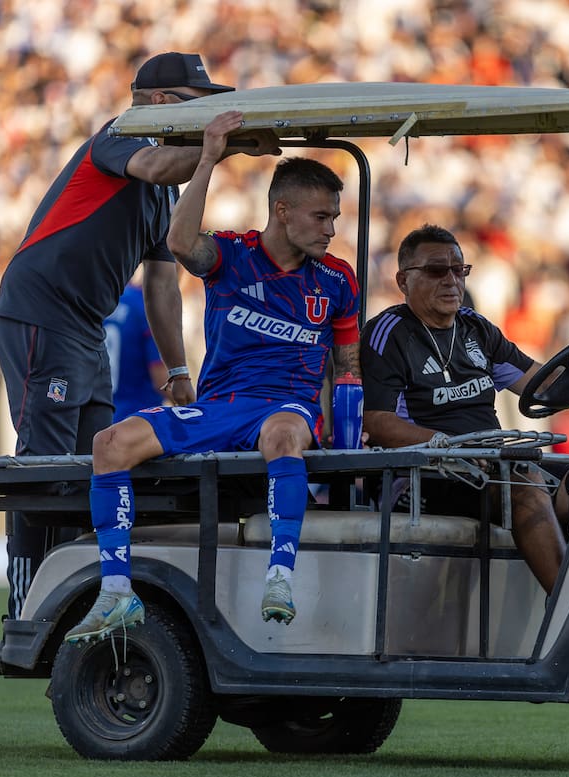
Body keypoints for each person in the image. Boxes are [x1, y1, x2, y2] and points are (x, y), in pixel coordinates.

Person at [0, 52, 274, 633]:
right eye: (201, 103)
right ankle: (23, 607)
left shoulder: (165, 195)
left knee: (93, 460)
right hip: (41, 313)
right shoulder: (119, 135)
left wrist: (177, 372)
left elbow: (163, 285)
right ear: (163, 104)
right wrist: (221, 150)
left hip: (82, 325)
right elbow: (158, 164)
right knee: (44, 463)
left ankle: (71, 596)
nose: (210, 113)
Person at [63, 113, 360, 643]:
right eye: (321, 217)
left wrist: (343, 432)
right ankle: (115, 592)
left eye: (334, 218)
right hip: (218, 407)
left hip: (285, 408)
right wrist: (207, 158)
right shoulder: (231, 254)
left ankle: (280, 576)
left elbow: (348, 367)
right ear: (282, 210)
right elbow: (179, 244)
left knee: (284, 434)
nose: (331, 229)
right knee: (109, 443)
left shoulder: (337, 279)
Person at [359, 224, 569, 594]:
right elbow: (378, 423)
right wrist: (450, 446)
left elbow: (543, 385)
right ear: (403, 280)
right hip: (420, 474)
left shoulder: (477, 328)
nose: (451, 281)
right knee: (523, 485)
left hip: (489, 464)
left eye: (459, 270)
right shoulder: (388, 333)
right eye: (437, 271)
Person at [104, 281, 167, 422]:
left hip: (98, 416)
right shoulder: (151, 307)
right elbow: (162, 381)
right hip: (136, 421)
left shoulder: (107, 298)